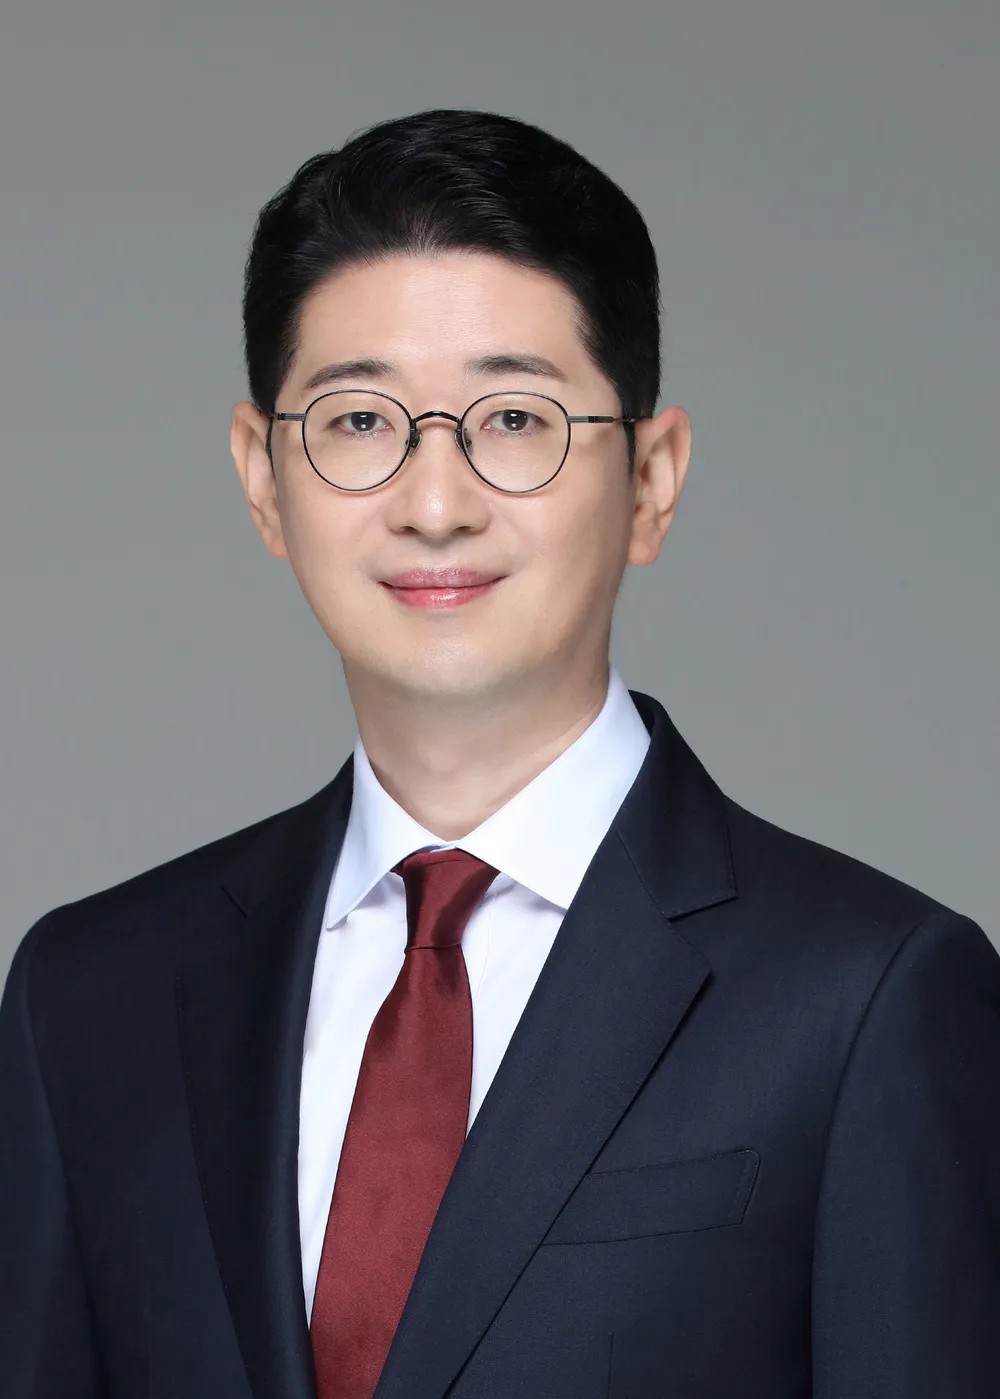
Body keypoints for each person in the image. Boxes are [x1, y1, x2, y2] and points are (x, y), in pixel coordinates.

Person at [2, 106, 998, 1399]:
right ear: (262, 479)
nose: (435, 504)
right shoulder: (88, 1000)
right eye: (360, 422)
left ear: (652, 481)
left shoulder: (870, 997)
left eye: (516, 419)